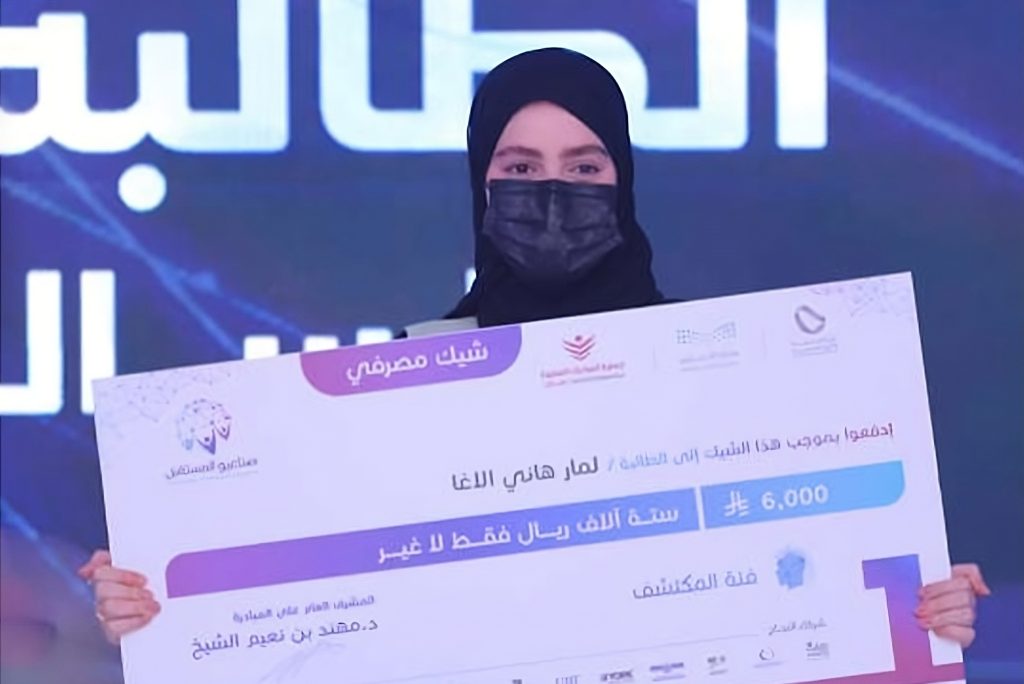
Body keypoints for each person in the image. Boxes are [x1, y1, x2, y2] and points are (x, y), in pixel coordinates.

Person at [77, 48, 990, 648]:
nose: (552, 193)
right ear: (479, 184)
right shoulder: (394, 382)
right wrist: (159, 610)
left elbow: (816, 583)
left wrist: (921, 608)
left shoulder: (733, 378)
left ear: (624, 180)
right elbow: (291, 602)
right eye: (519, 169)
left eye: (584, 167)